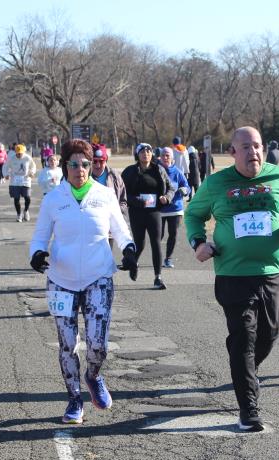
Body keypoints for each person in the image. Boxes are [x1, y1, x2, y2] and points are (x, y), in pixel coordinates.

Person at [184, 126, 279, 432]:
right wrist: (198, 242)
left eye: (256, 146)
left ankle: (245, 367)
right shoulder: (216, 183)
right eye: (245, 147)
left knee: (268, 336)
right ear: (232, 152)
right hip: (233, 274)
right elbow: (193, 215)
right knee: (244, 337)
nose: (253, 152)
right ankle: (248, 409)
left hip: (272, 272)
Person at [29, 139, 137, 425]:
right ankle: (74, 399)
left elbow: (121, 230)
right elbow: (40, 236)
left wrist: (129, 249)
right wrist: (37, 254)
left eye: (85, 164)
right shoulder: (54, 199)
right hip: (61, 280)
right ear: (65, 166)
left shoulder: (104, 195)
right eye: (74, 164)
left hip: (98, 276)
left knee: (98, 344)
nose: (80, 169)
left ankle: (93, 375)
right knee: (67, 344)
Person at [121, 143, 174, 289]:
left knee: (156, 243)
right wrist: (135, 200)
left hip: (154, 212)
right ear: (137, 155)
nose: (146, 154)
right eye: (143, 151)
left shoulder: (159, 170)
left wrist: (166, 198)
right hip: (136, 212)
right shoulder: (130, 171)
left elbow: (171, 187)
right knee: (139, 243)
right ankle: (133, 263)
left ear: (152, 154)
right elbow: (122, 192)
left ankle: (158, 277)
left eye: (149, 151)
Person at [158, 147, 192, 268]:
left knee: (173, 234)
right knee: (158, 235)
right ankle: (157, 257)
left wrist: (184, 190)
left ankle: (168, 259)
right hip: (160, 209)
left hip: (175, 209)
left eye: (168, 155)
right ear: (160, 157)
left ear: (172, 158)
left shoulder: (177, 172)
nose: (165, 157)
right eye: (163, 155)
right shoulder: (156, 171)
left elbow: (187, 187)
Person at [90, 143, 128, 223]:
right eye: (95, 161)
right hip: (92, 222)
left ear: (106, 160)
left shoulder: (114, 176)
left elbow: (123, 201)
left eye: (101, 161)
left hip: (112, 222)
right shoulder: (84, 177)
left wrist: (115, 212)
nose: (98, 165)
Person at [6, 143, 36, 222]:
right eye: (18, 153)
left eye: (21, 153)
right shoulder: (12, 158)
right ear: (15, 152)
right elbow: (5, 166)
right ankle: (19, 214)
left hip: (25, 180)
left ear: (24, 152)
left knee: (27, 197)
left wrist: (32, 172)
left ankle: (26, 211)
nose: (19, 154)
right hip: (14, 182)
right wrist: (6, 174)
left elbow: (33, 166)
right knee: (16, 199)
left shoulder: (27, 158)